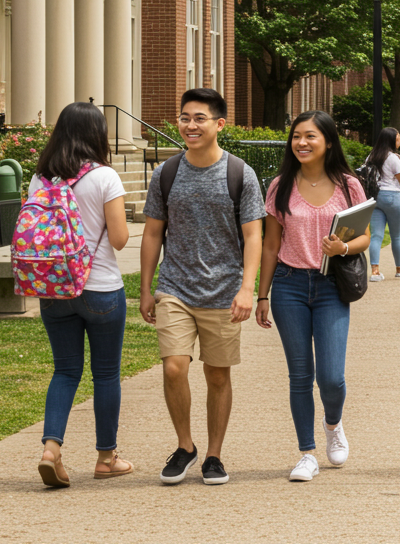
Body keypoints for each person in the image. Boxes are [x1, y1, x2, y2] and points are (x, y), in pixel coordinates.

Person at [140, 88, 266, 486]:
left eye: (199, 118)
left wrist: (248, 288)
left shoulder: (239, 173)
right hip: (175, 287)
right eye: (184, 118)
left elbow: (254, 236)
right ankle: (185, 446)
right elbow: (152, 233)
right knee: (175, 366)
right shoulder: (167, 172)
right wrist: (146, 289)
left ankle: (214, 455)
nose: (190, 126)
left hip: (223, 291)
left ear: (219, 124)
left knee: (217, 375)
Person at [257, 111, 370, 482]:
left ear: (329, 142)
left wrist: (342, 249)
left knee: (332, 378)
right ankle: (306, 453)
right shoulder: (280, 186)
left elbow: (364, 238)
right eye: (296, 137)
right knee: (300, 374)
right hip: (289, 285)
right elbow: (271, 244)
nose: (301, 143)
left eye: (310, 136)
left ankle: (333, 423)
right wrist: (262, 294)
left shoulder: (349, 185)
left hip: (329, 287)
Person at [30, 102, 134, 487]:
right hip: (100, 288)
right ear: (97, 135)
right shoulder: (105, 176)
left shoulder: (41, 179)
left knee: (65, 371)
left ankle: (50, 450)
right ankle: (106, 458)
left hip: (54, 288)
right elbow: (121, 240)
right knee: (106, 374)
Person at [365, 127, 400, 281]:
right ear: (392, 140)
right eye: (398, 137)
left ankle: (375, 272)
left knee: (376, 235)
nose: (399, 140)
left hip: (375, 197)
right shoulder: (392, 157)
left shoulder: (371, 156)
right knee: (396, 236)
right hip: (391, 196)